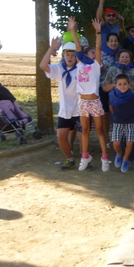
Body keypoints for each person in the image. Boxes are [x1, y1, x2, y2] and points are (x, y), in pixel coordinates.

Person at [69, 16, 110, 172]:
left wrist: (98, 32)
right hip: (83, 103)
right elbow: (78, 47)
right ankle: (85, 156)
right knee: (85, 130)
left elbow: (99, 48)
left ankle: (105, 158)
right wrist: (73, 29)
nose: (94, 54)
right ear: (86, 55)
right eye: (91, 52)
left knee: (99, 130)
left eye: (94, 53)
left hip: (94, 102)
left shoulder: (96, 65)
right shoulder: (79, 63)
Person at [40, 39, 81, 170]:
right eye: (67, 54)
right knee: (61, 136)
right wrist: (51, 48)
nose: (70, 57)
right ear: (63, 55)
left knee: (82, 136)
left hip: (80, 109)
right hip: (65, 110)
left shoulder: (80, 69)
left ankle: (86, 159)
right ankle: (70, 159)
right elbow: (42, 66)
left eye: (73, 55)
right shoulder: (58, 69)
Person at [109, 74, 134, 173]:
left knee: (129, 143)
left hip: (130, 122)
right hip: (118, 122)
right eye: (120, 84)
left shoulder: (132, 96)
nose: (122, 86)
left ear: (129, 85)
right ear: (116, 85)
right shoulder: (113, 96)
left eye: (125, 84)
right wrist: (115, 116)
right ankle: (119, 154)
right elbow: (111, 107)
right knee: (116, 143)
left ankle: (125, 159)